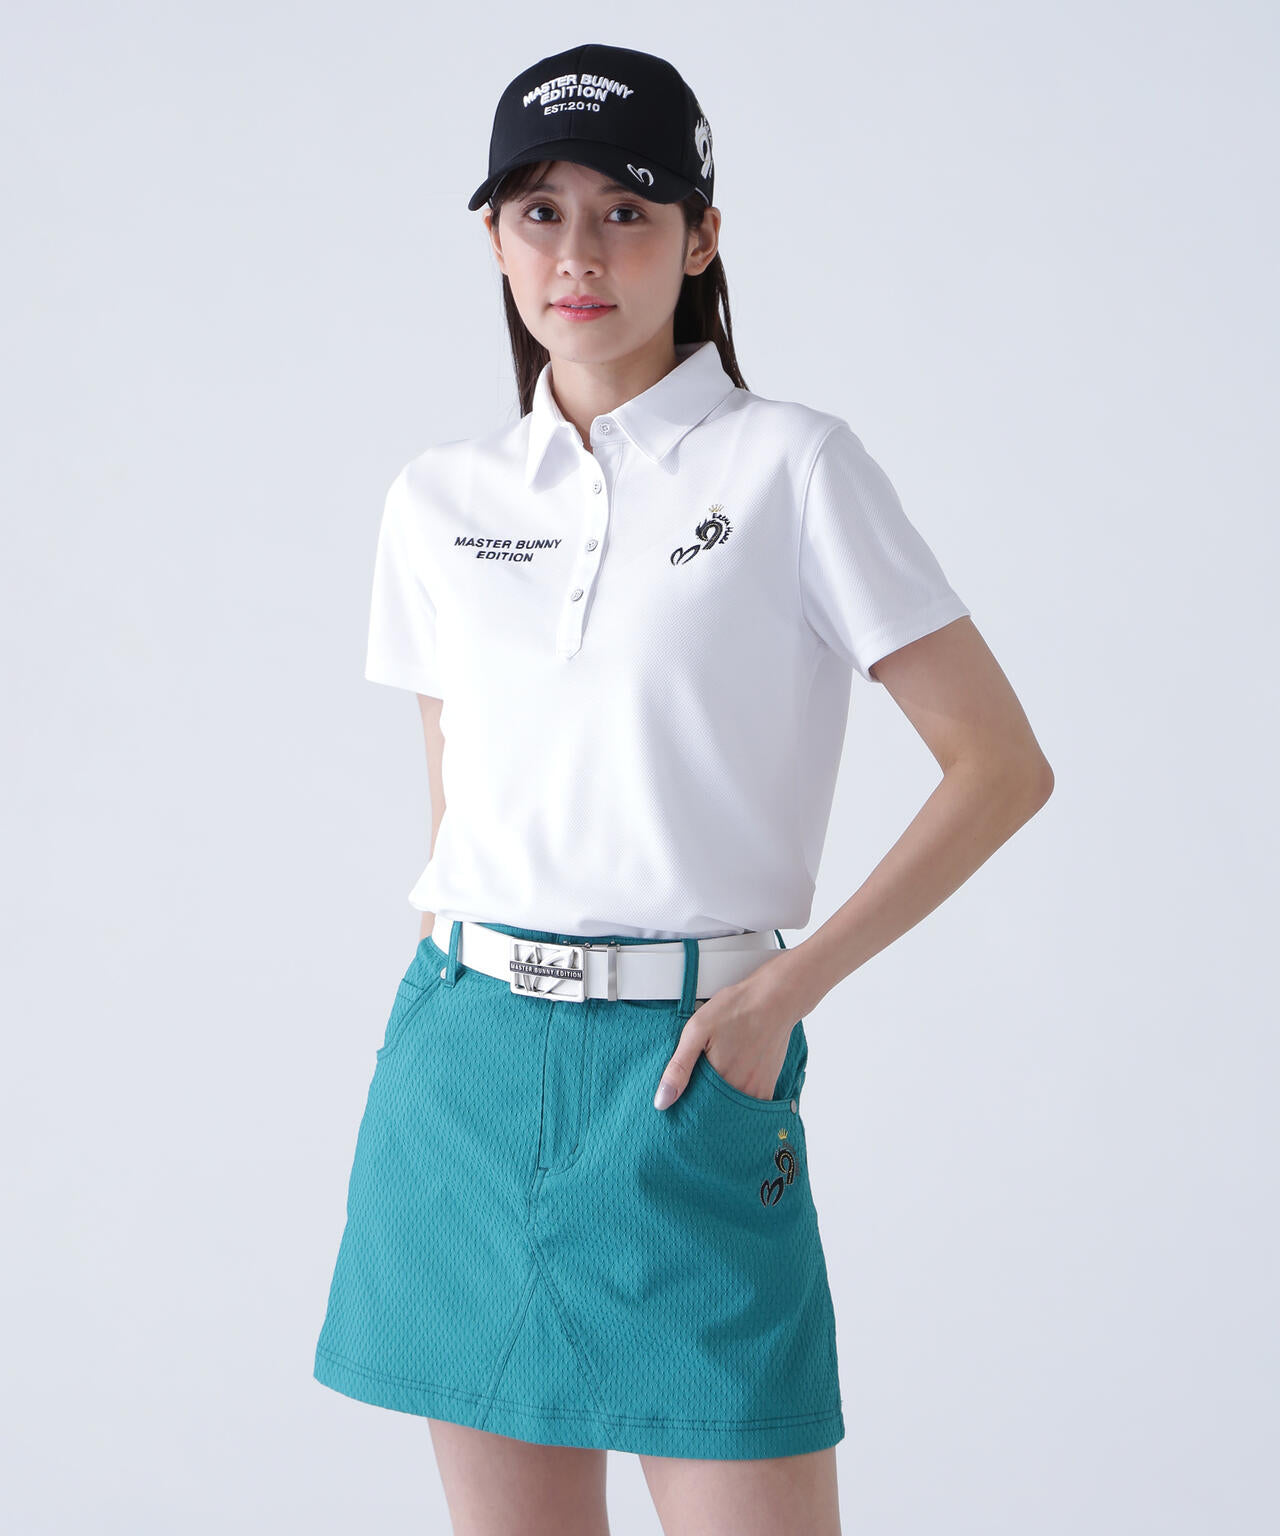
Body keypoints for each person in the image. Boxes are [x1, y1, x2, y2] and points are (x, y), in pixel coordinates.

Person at [313, 41, 1053, 1536]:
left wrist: (785, 994)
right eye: (539, 212)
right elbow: (458, 787)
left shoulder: (791, 469)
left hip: (688, 1071)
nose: (577, 255)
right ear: (494, 237)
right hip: (463, 1071)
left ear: (701, 236)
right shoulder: (440, 500)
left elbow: (1000, 766)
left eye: (626, 212)